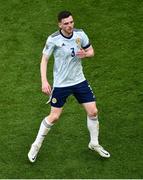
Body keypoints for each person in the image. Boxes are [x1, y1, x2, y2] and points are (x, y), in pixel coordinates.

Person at [28, 10, 110, 163]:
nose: (70, 25)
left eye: (71, 22)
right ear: (60, 24)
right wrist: (44, 81)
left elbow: (91, 51)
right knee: (54, 117)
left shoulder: (81, 34)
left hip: (79, 81)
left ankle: (94, 143)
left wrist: (85, 54)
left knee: (93, 111)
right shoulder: (53, 39)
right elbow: (44, 60)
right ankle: (36, 145)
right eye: (66, 23)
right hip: (61, 84)